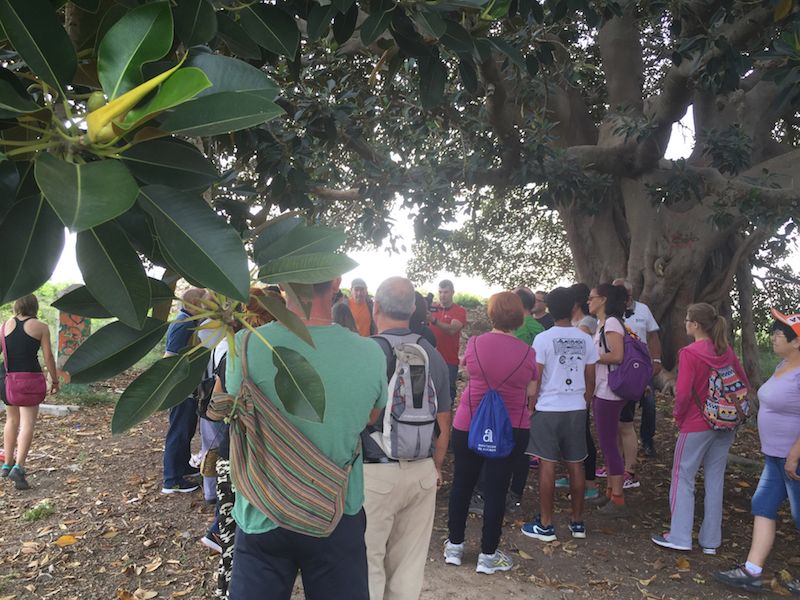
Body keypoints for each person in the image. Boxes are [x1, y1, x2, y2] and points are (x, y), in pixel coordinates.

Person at [223, 277, 387, 599]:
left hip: (262, 509)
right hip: (336, 510)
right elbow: (370, 417)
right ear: (337, 280)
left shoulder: (244, 345)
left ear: (282, 282)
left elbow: (230, 411)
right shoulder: (370, 353)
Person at [362, 277, 451, 600]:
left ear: (375, 306)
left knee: (367, 564)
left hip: (374, 471)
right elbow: (444, 421)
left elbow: (360, 415)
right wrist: (436, 467)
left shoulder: (368, 351)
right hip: (423, 471)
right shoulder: (432, 354)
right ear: (413, 309)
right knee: (408, 571)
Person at [445, 292, 538, 575]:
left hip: (469, 423)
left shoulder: (474, 344)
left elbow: (468, 372)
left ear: (491, 314)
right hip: (511, 427)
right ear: (520, 317)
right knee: (497, 490)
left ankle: (454, 547)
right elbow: (532, 392)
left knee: (462, 483)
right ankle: (487, 554)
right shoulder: (528, 353)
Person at [651, 303, 749, 554]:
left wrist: (678, 416)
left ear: (695, 325)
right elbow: (743, 383)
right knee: (715, 479)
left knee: (682, 476)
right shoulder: (724, 350)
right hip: (726, 423)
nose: (684, 323)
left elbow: (683, 393)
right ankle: (710, 542)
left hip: (696, 422)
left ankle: (680, 535)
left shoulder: (690, 353)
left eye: (687, 319)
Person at [714, 308, 800, 595]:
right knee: (762, 505)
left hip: (793, 459)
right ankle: (751, 571)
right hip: (774, 456)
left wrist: (795, 454)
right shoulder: (781, 366)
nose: (774, 337)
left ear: (797, 341)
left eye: (780, 334)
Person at [522, 287, 598, 542]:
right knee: (576, 464)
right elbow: (591, 377)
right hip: (576, 407)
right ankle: (578, 522)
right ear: (574, 307)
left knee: (547, 463)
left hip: (548, 407)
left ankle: (545, 524)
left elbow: (537, 376)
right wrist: (584, 402)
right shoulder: (585, 338)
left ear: (550, 309)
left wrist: (531, 405)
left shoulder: (543, 339)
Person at [1, 295, 58, 490]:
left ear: (16, 305)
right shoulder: (40, 327)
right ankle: (19, 467)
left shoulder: (4, 326)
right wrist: (54, 378)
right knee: (27, 423)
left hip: (7, 380)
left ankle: (7, 464)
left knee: (11, 420)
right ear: (34, 306)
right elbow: (48, 356)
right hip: (29, 380)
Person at [554, 283, 601, 502]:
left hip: (580, 388)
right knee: (569, 434)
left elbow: (574, 345)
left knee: (582, 435)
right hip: (566, 386)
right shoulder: (573, 324)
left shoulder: (587, 323)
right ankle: (571, 474)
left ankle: (589, 481)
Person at [587, 283, 629, 517]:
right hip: (602, 389)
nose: (588, 301)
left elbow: (617, 355)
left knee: (609, 443)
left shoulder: (611, 323)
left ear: (603, 300)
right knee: (607, 442)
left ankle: (618, 497)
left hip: (609, 391)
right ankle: (611, 491)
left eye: (591, 297)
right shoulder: (603, 324)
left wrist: (590, 356)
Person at [161, 288, 206, 494]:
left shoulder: (190, 321)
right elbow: (170, 357)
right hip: (181, 388)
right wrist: (178, 387)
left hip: (188, 387)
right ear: (196, 304)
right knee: (178, 431)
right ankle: (172, 480)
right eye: (207, 303)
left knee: (186, 428)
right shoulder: (184, 323)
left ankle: (183, 467)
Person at [613, 278, 662, 459]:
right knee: (623, 407)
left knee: (649, 404)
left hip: (641, 367)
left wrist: (656, 360)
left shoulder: (643, 309)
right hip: (619, 366)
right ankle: (623, 443)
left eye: (626, 294)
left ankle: (647, 440)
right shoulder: (610, 312)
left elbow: (653, 335)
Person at [430, 280, 467, 401]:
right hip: (430, 358)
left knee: (448, 396)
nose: (442, 295)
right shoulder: (432, 308)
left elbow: (452, 330)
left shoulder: (459, 311)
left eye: (446, 292)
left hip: (449, 360)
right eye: (440, 292)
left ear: (452, 292)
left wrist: (434, 320)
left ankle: (448, 420)